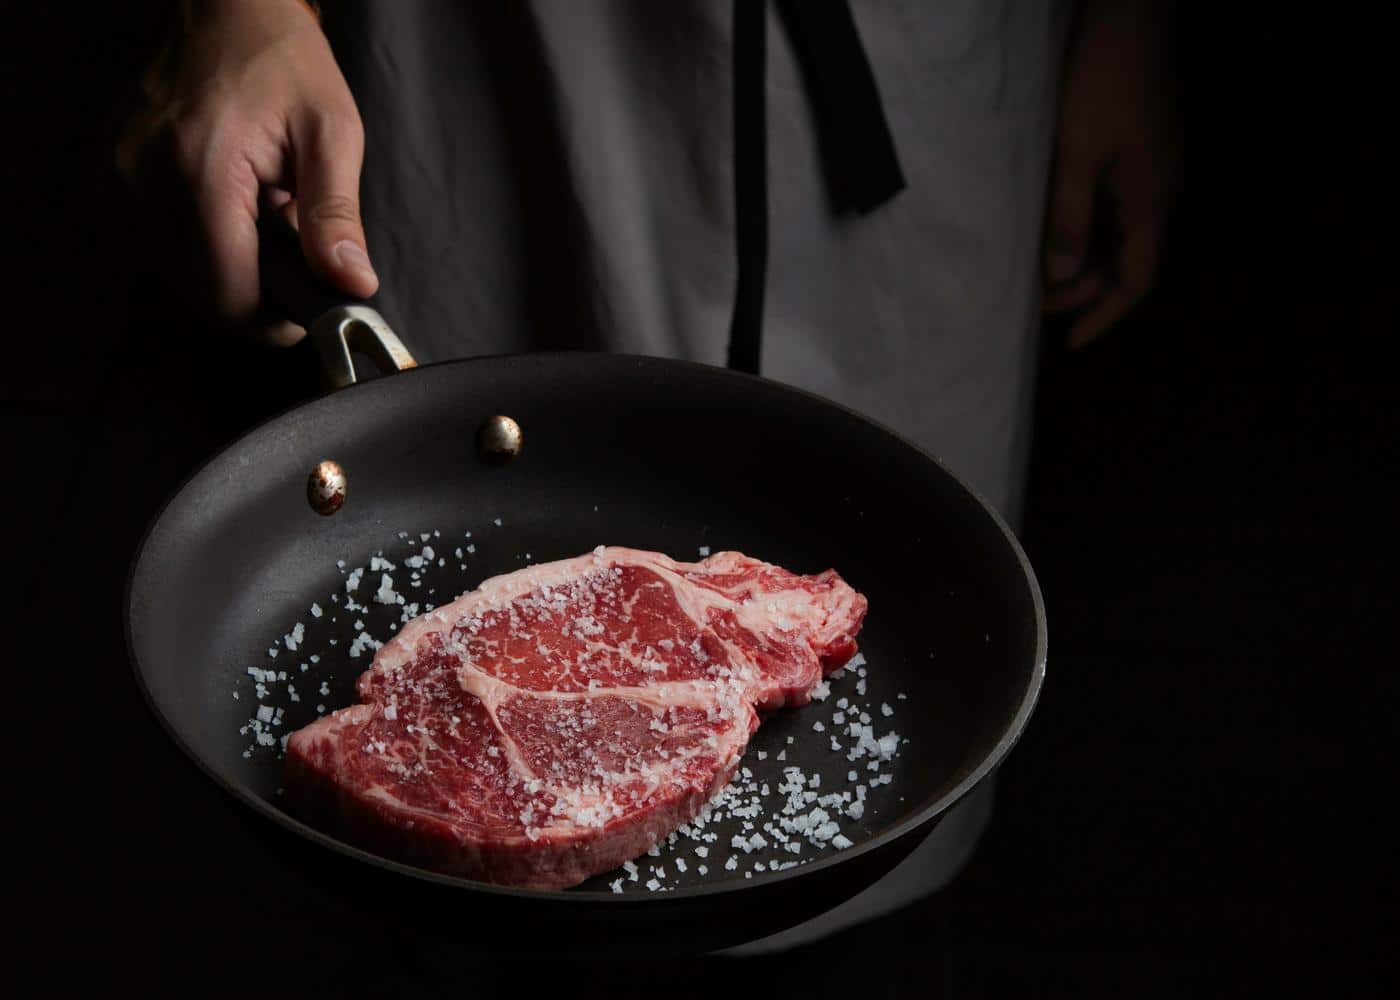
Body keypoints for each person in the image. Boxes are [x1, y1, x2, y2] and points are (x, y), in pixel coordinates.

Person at [119, 0, 1174, 972]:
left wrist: (1128, 25)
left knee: (862, 909)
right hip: (513, 65)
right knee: (436, 955)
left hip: (925, 84)